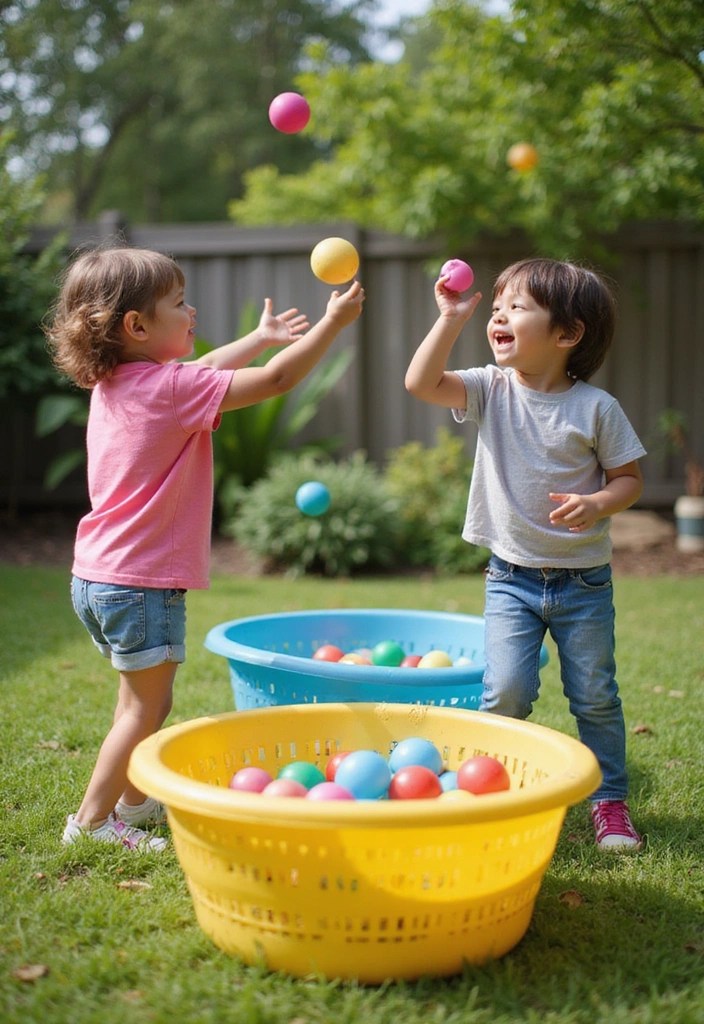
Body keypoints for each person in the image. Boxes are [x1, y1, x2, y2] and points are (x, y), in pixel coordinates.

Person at [45, 244, 365, 851]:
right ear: (136, 326)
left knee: (134, 698)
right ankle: (90, 824)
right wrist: (330, 325)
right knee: (148, 708)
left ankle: (134, 805)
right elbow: (275, 381)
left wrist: (258, 336)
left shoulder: (116, 383)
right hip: (141, 582)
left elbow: (210, 366)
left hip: (97, 577)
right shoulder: (167, 390)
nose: (191, 313)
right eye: (179, 304)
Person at [405, 257, 645, 851]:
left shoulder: (596, 408)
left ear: (567, 335)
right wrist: (450, 319)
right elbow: (419, 383)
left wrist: (597, 503)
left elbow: (629, 479)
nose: (499, 317)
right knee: (506, 692)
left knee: (594, 694)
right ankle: (490, 792)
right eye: (496, 308)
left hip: (582, 585)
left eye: (517, 307)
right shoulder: (490, 387)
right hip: (509, 579)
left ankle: (608, 801)